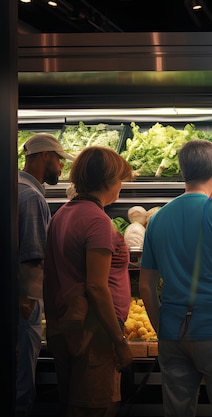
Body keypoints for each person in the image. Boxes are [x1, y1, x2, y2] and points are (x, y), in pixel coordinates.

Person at [139, 139, 212, 417]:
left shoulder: (157, 219)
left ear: (183, 173)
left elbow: (145, 285)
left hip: (173, 334)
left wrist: (163, 329)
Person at [43, 146, 134, 416]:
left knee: (75, 404)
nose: (121, 187)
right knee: (95, 407)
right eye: (120, 180)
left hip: (66, 325)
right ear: (107, 180)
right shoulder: (97, 222)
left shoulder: (63, 214)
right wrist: (119, 341)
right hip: (95, 331)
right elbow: (96, 286)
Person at [17, 133, 74, 416]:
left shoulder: (15, 188)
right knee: (21, 383)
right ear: (45, 156)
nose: (61, 168)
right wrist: (30, 305)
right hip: (22, 305)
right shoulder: (30, 197)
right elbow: (32, 257)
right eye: (59, 161)